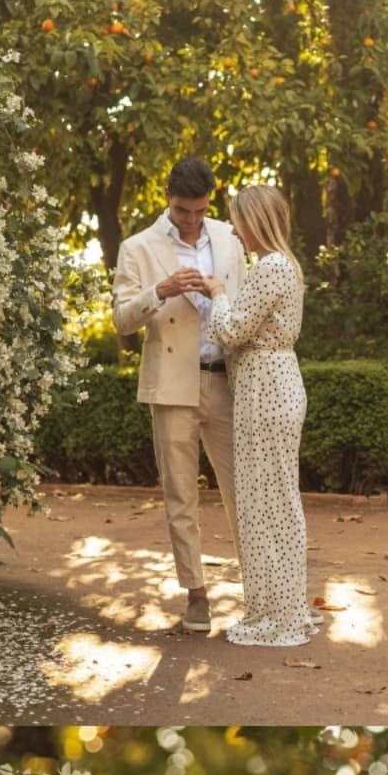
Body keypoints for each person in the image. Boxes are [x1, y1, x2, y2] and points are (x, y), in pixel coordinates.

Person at [112, 157, 246, 634]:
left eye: (199, 211)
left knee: (243, 490)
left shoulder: (230, 238)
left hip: (226, 379)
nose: (191, 220)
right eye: (183, 210)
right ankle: (196, 594)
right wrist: (160, 291)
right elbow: (122, 320)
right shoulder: (138, 247)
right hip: (172, 384)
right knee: (181, 495)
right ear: (168, 198)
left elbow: (245, 304)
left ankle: (260, 589)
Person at [200, 186, 315, 650]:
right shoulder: (280, 265)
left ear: (255, 222)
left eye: (238, 221)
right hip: (264, 389)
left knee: (272, 504)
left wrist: (217, 293)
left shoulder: (271, 267)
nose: (233, 230)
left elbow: (230, 330)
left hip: (267, 390)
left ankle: (281, 616)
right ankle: (274, 610)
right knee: (263, 503)